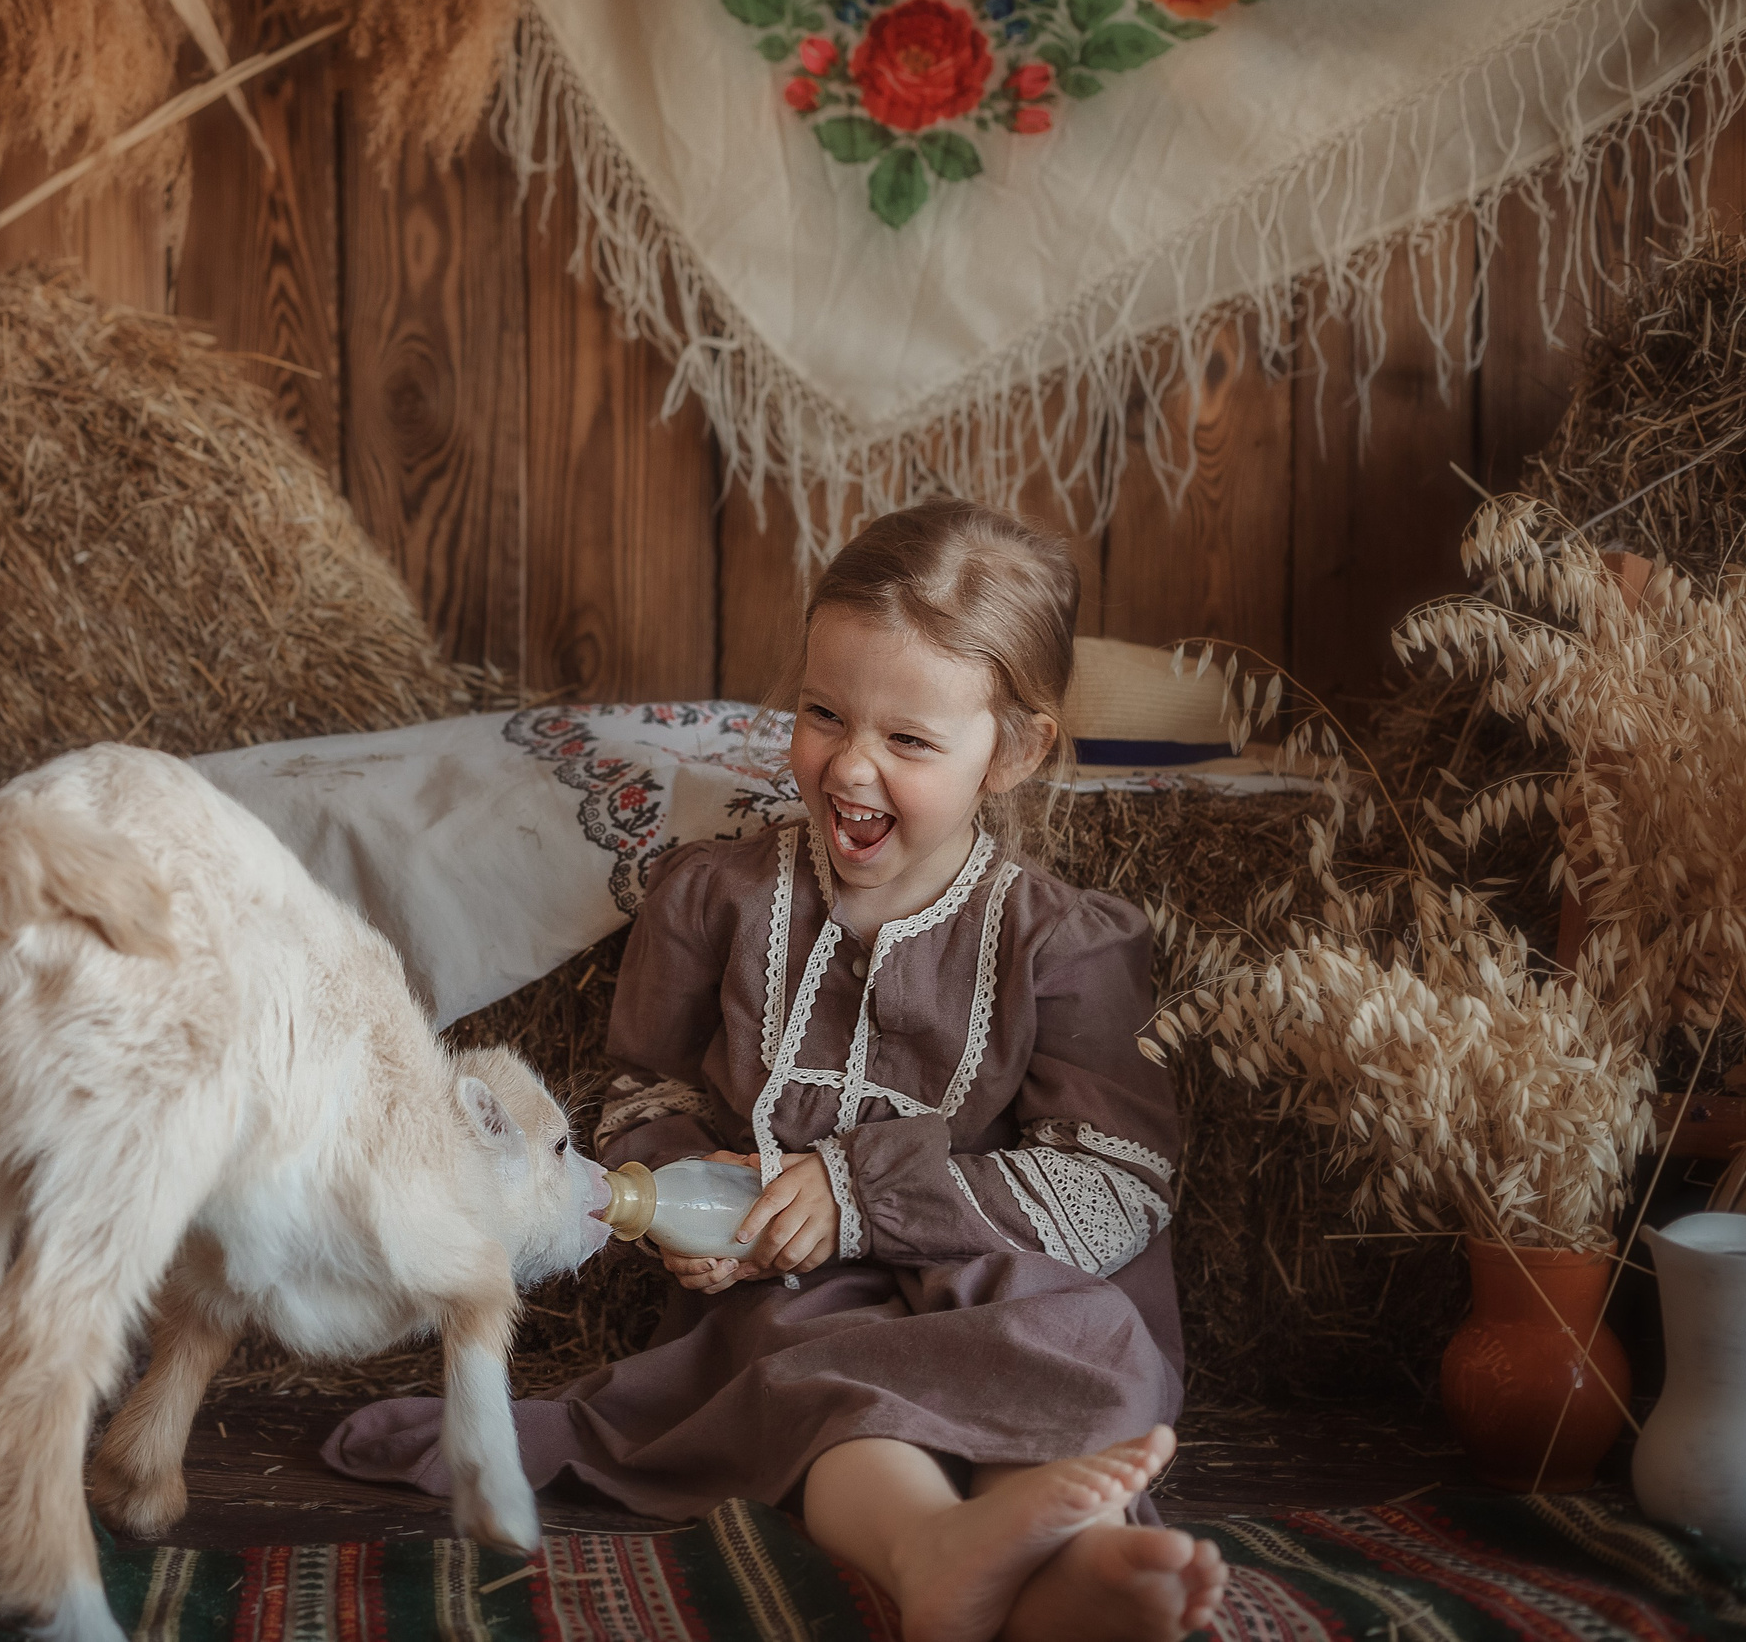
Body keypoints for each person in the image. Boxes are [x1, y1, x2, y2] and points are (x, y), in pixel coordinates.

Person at [329, 501, 1228, 1642]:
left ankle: (1072, 1564)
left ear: (1012, 752)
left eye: (908, 741)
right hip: (789, 1290)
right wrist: (674, 1203)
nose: (848, 764)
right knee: (811, 1375)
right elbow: (643, 1086)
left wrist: (862, 1194)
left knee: (1087, 1342)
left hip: (988, 1270)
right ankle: (929, 1549)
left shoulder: (1063, 944)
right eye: (821, 714)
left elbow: (1114, 1189)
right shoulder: (718, 897)